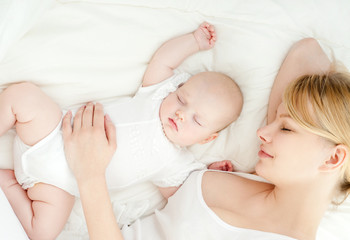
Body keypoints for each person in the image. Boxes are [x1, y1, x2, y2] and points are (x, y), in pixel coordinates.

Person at [62, 37, 350, 240]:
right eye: (274, 119)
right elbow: (307, 51)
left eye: (286, 129)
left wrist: (89, 175)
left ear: (334, 157)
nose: (262, 132)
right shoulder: (267, 179)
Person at [0, 22, 242, 239]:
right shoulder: (155, 96)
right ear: (174, 88)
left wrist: (213, 172)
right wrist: (194, 42)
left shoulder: (175, 165)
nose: (181, 113)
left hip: (60, 186)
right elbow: (163, 60)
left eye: (196, 121)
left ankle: (7, 182)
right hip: (53, 133)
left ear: (207, 139)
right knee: (23, 96)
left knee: (43, 232)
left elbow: (186, 194)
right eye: (181, 99)